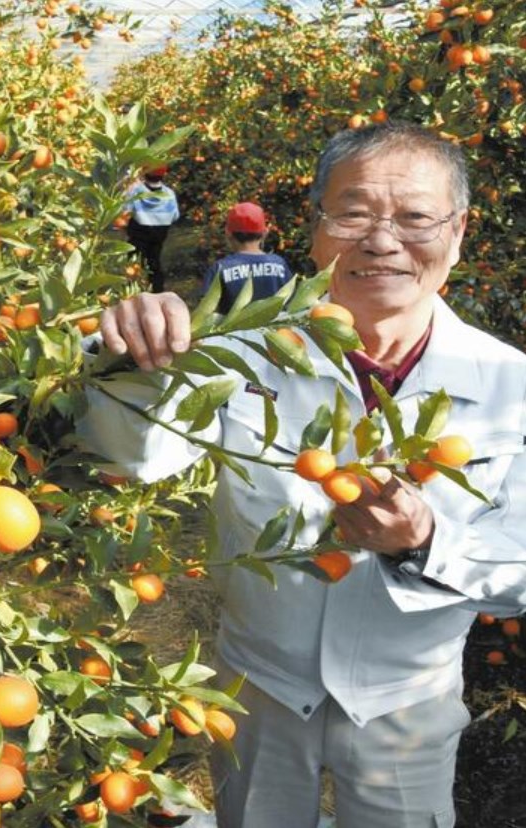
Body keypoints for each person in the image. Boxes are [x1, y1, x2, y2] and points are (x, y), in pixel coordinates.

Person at [78, 122, 526, 828]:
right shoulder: (240, 351)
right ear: (314, 229)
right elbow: (134, 461)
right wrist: (132, 365)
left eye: (414, 217)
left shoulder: (509, 385)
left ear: (459, 231)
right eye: (353, 213)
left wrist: (424, 542)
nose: (381, 241)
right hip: (258, 687)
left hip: (405, 703)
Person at [202, 202, 293, 313]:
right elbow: (291, 303)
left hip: (233, 330)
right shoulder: (279, 264)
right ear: (264, 233)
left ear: (228, 233)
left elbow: (205, 311)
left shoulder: (219, 269)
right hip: (277, 330)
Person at [124, 165, 179, 293]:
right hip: (159, 233)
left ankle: (133, 289)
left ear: (144, 173)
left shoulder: (137, 191)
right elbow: (175, 215)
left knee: (134, 262)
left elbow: (126, 209)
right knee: (154, 260)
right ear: (163, 175)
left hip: (139, 231)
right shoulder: (169, 193)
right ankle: (157, 289)